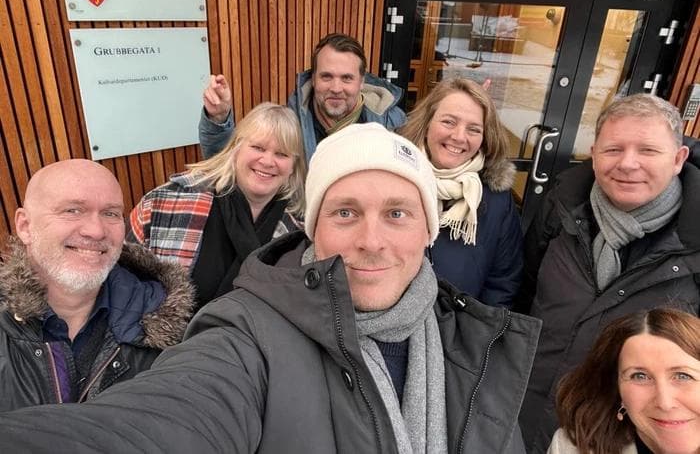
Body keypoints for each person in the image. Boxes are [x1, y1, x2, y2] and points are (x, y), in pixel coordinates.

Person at [0, 123, 541, 453]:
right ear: (313, 229)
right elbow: (159, 422)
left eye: (397, 213)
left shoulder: (479, 341)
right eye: (345, 212)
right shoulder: (248, 334)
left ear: (428, 231)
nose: (372, 241)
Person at [516, 94, 700, 453]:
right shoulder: (562, 206)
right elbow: (525, 293)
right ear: (594, 154)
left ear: (678, 159)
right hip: (524, 411)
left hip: (617, 436)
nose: (628, 164)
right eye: (613, 149)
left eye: (647, 150)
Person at [0, 159, 193, 411]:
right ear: (25, 226)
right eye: (73, 210)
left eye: (110, 213)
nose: (96, 231)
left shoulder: (172, 331)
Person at [128, 102, 305, 310]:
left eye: (281, 154)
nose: (267, 161)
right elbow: (123, 282)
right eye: (258, 147)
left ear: (293, 166)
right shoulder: (163, 204)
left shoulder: (299, 234)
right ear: (235, 149)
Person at [400, 77, 523, 307]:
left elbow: (503, 282)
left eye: (473, 129)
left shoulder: (497, 201)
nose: (459, 136)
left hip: (460, 326)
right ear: (427, 123)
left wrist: (476, 327)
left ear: (484, 138)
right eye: (449, 122)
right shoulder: (392, 180)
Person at [198, 32, 405, 162]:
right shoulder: (287, 125)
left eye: (346, 78)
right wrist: (218, 118)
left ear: (361, 82)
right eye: (326, 76)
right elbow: (226, 163)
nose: (336, 88)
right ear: (313, 79)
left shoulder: (394, 124)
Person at [548, 308, 700, 454]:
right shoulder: (572, 449)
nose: (664, 403)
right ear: (616, 387)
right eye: (639, 376)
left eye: (683, 376)